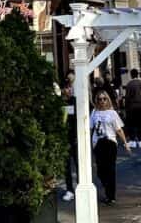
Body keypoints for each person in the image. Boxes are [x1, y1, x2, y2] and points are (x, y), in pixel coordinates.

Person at [89, 91, 131, 205]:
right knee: (100, 170)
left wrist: (125, 143)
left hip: (110, 142)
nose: (102, 101)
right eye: (99, 99)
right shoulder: (94, 113)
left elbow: (119, 130)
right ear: (96, 101)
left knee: (110, 169)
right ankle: (106, 184)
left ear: (108, 100)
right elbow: (90, 128)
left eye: (104, 99)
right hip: (98, 143)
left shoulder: (112, 113)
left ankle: (110, 196)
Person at [123, 69, 141, 148]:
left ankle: (133, 140)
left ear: (131, 75)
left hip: (132, 107)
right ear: (137, 74)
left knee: (132, 124)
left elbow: (127, 97)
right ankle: (140, 141)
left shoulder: (129, 84)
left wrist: (126, 107)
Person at [62, 74, 77, 202]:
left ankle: (79, 186)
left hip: (75, 137)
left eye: (68, 87)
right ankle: (69, 189)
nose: (67, 90)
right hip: (64, 138)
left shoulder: (75, 101)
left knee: (78, 164)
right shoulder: (59, 103)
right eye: (65, 88)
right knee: (66, 166)